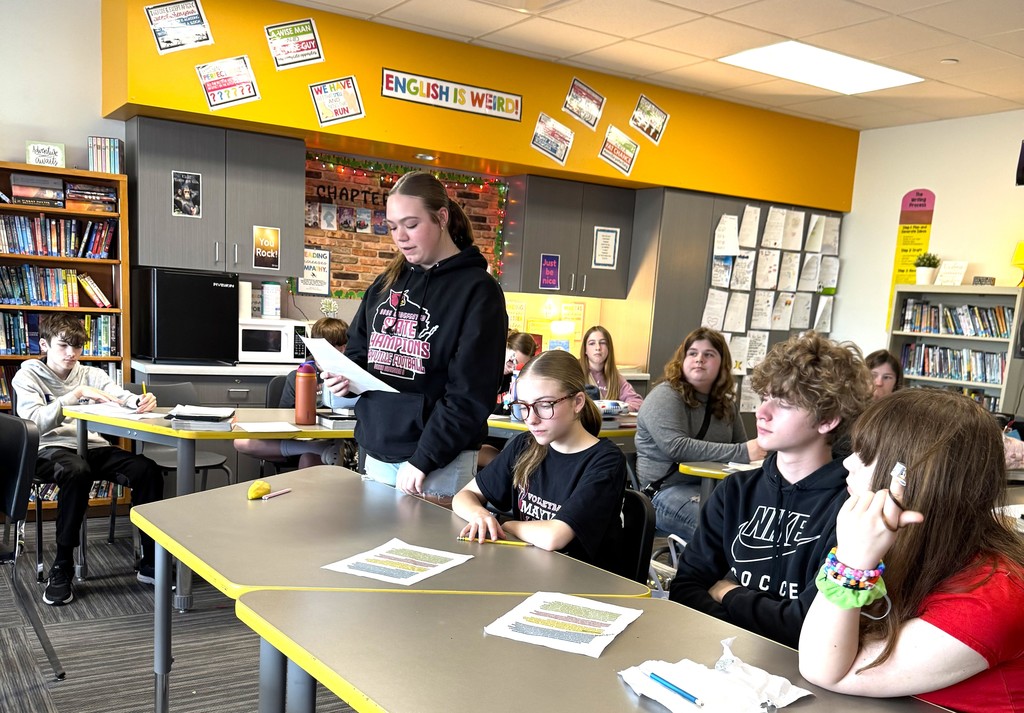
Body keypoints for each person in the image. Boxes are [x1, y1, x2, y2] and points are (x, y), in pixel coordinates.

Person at [798, 389, 1024, 711]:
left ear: (912, 477)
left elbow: (824, 669)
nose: (846, 462)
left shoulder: (999, 595)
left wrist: (851, 561)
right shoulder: (888, 535)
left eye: (865, 454)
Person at [669, 331, 873, 647]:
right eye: (765, 397)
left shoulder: (849, 509)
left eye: (785, 403)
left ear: (827, 420)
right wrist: (740, 634)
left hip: (802, 672)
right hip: (720, 653)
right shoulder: (734, 491)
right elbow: (685, 588)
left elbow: (807, 623)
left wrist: (728, 592)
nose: (762, 413)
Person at [322, 171, 507, 499]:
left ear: (442, 217)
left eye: (411, 224)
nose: (400, 237)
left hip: (438, 463)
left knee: (427, 551)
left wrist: (424, 459)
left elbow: (470, 393)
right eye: (393, 227)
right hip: (377, 452)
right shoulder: (385, 283)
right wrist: (345, 382)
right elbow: (358, 355)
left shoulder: (479, 292)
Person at [12, 314, 164, 605]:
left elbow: (118, 395)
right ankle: (63, 565)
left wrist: (138, 401)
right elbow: (33, 423)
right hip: (49, 447)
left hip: (91, 446)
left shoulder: (91, 374)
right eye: (63, 346)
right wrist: (74, 396)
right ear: (44, 344)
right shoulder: (27, 376)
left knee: (147, 470)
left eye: (78, 347)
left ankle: (150, 561)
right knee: (77, 471)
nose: (71, 354)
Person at [452, 350, 627, 575]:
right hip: (528, 571)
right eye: (523, 406)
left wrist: (506, 524)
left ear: (578, 402)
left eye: (544, 405)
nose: (531, 418)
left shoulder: (605, 461)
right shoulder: (525, 445)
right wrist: (480, 515)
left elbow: (554, 536)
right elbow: (463, 497)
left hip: (581, 585)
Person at [634, 327, 766, 541]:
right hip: (663, 494)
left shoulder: (725, 403)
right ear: (682, 360)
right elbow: (677, 447)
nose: (699, 359)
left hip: (715, 490)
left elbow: (742, 449)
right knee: (722, 532)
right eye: (692, 353)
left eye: (709, 354)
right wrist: (743, 451)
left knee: (758, 527)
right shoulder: (665, 396)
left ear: (721, 364)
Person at [234, 317, 351, 469]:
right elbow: (282, 416)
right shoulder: (298, 375)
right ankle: (316, 448)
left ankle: (317, 450)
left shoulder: (349, 377)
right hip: (299, 441)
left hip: (336, 442)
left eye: (339, 347)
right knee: (240, 442)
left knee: (308, 460)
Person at [578, 325, 643, 411]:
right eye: (592, 343)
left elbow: (637, 402)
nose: (598, 348)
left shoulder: (616, 378)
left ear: (609, 348)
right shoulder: (575, 373)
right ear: (585, 350)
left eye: (602, 343)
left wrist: (618, 409)